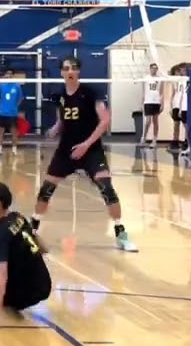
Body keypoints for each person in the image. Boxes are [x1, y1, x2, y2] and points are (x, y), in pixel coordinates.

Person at [33, 56, 138, 252]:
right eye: (66, 68)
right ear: (61, 73)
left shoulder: (91, 93)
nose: (70, 71)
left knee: (106, 188)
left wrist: (86, 144)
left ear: (79, 71)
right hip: (66, 150)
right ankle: (32, 232)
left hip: (91, 150)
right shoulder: (59, 95)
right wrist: (56, 128)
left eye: (73, 67)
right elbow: (63, 118)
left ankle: (121, 234)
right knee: (46, 189)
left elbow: (104, 120)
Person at [0, 181, 52, 317]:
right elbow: (39, 242)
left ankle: (3, 300)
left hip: (17, 296)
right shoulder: (18, 218)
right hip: (43, 287)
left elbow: (1, 276)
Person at [0, 67, 23, 156]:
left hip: (12, 113)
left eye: (10, 74)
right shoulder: (0, 85)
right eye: (7, 73)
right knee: (0, 132)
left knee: (14, 132)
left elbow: (20, 98)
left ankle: (14, 150)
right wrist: (0, 104)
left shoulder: (17, 86)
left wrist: (14, 107)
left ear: (13, 75)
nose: (9, 75)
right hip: (1, 113)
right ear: (5, 75)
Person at [141, 63, 163, 148]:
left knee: (155, 121)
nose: (154, 70)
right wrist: (142, 102)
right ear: (150, 69)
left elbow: (161, 92)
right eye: (152, 68)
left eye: (155, 68)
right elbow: (143, 91)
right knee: (147, 121)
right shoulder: (146, 78)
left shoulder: (160, 79)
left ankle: (154, 140)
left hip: (156, 102)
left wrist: (162, 103)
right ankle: (144, 137)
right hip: (148, 101)